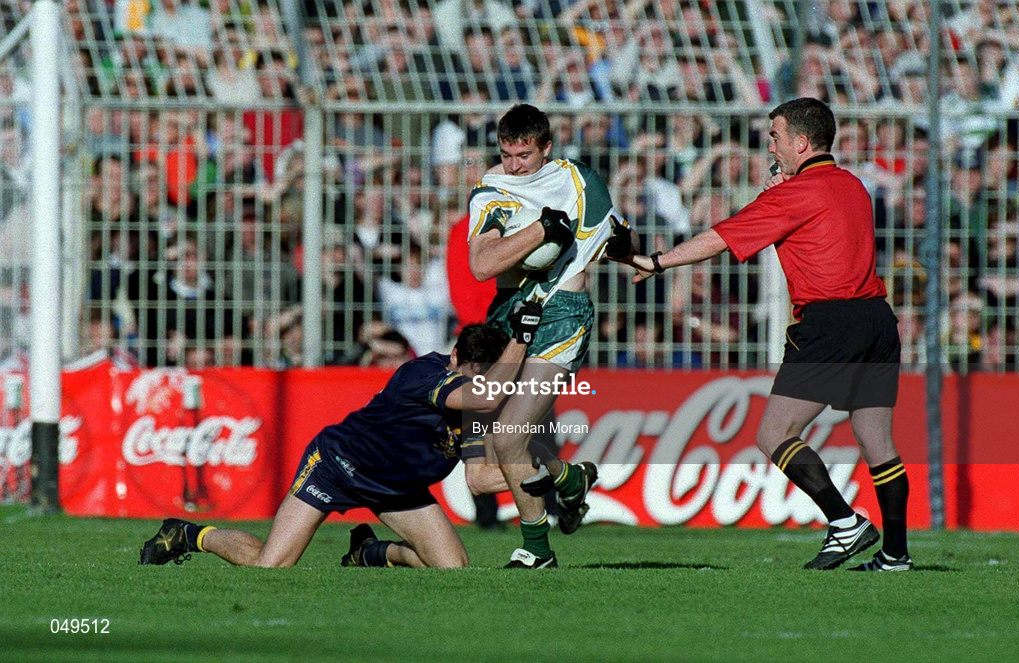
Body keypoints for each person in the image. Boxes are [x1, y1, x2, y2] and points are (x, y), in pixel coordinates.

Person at [608, 98, 912, 572]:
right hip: (876, 317)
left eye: (775, 136)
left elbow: (722, 236)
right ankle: (895, 554)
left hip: (830, 321)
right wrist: (779, 191)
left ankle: (845, 523)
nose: (769, 144)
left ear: (801, 142)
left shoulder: (793, 194)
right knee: (877, 439)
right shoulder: (854, 185)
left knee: (774, 435)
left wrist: (656, 261)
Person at [139, 311, 544, 569]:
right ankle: (189, 534)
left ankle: (369, 553)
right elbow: (482, 395)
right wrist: (522, 339)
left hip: (395, 488)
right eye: (468, 371)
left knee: (452, 569)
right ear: (454, 357)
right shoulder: (427, 375)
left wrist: (552, 472)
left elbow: (480, 477)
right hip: (338, 465)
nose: (472, 381)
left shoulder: (478, 402)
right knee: (271, 565)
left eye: (482, 374)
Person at [467, 104, 615, 568]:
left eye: (524, 155)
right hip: (508, 315)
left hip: (563, 315)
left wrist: (655, 263)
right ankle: (569, 480)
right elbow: (482, 265)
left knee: (510, 436)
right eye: (507, 154)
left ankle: (536, 550)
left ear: (546, 148)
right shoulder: (492, 189)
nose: (514, 165)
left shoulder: (579, 180)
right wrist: (540, 230)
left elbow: (612, 235)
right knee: (481, 472)